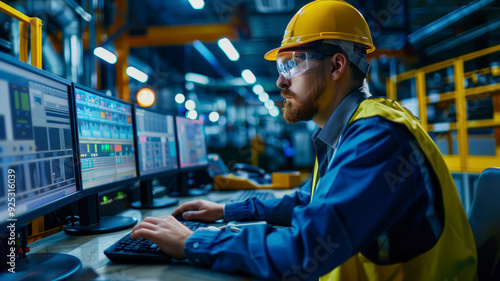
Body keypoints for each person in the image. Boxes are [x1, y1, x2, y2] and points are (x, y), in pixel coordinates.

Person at [131, 0, 477, 280]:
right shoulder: (346, 129)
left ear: (337, 65)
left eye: (292, 65)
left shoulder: (377, 137)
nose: (281, 83)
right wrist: (225, 210)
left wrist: (195, 242)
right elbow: (310, 200)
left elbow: (307, 248)